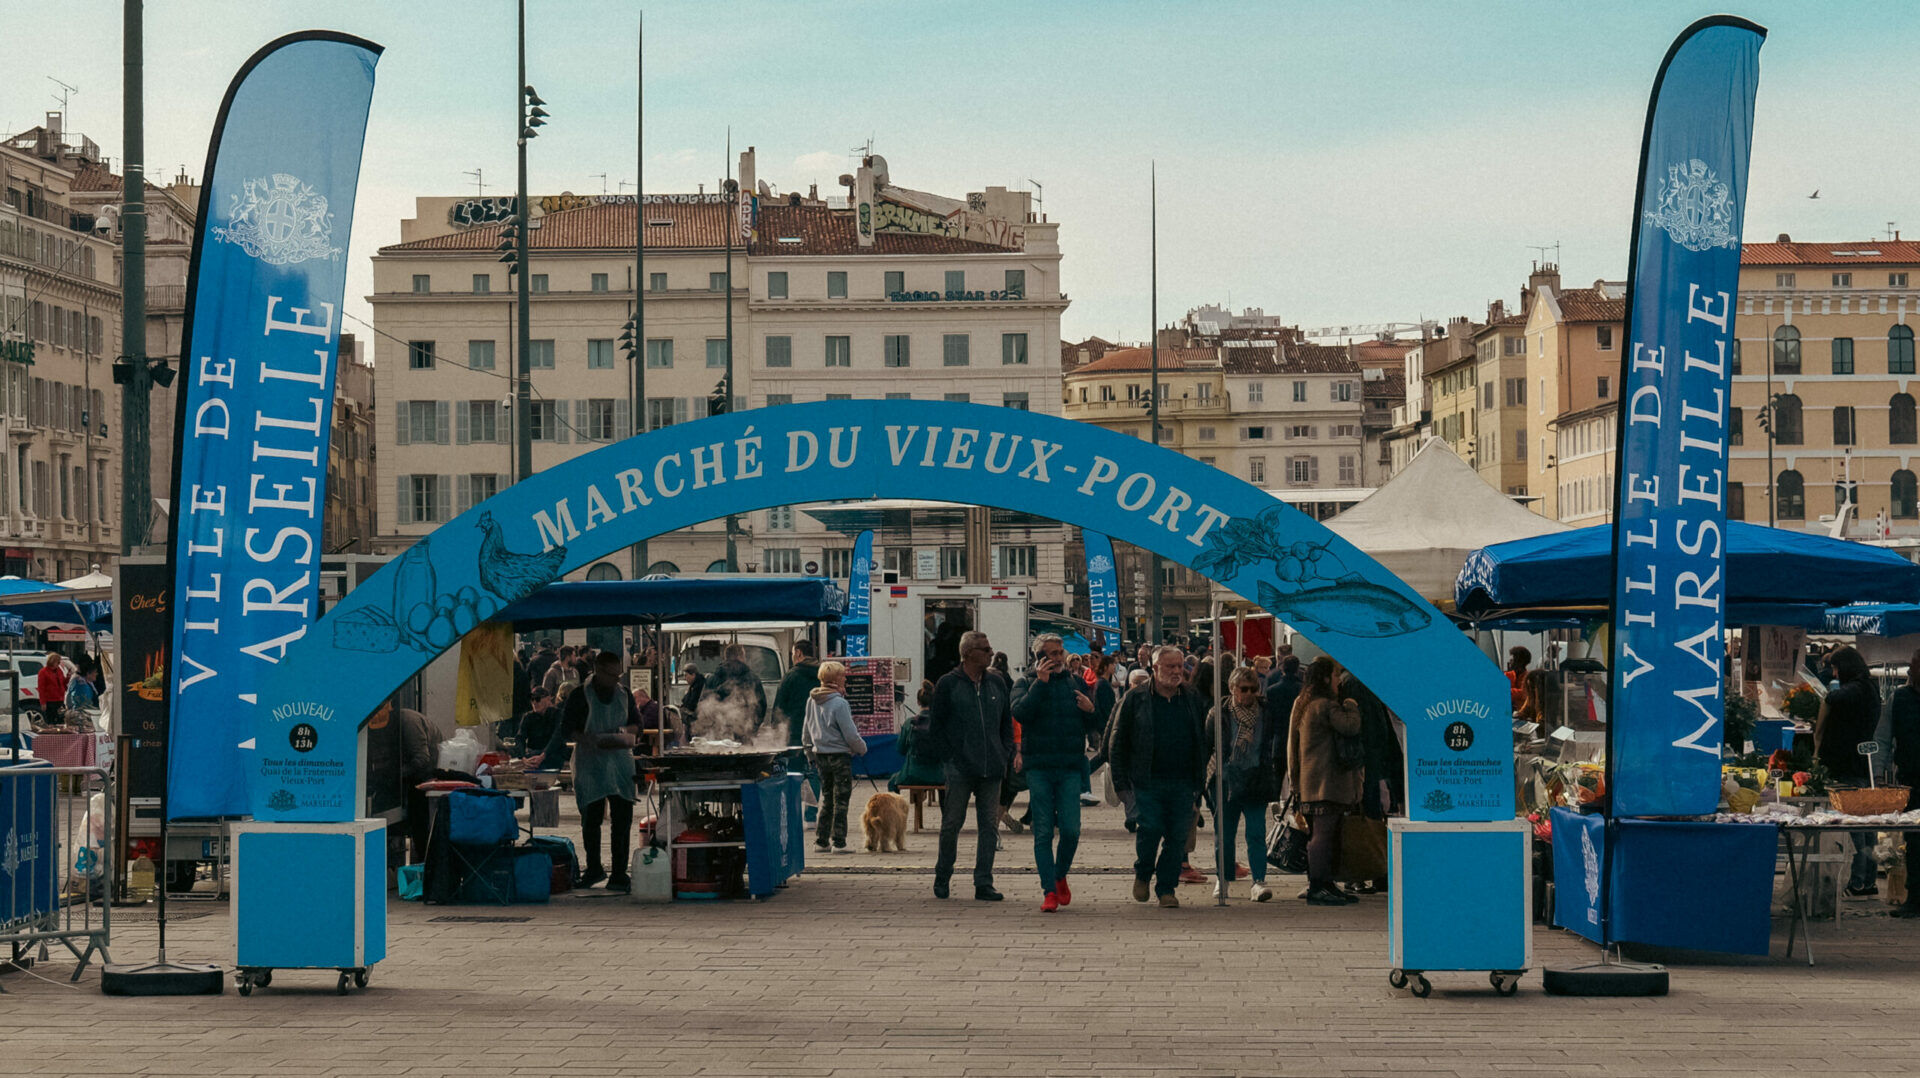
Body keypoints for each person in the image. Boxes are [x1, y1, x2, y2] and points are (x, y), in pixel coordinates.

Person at [1110, 645, 1208, 909]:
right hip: (1146, 780)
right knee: (1150, 829)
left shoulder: (1191, 697)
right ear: (1155, 668)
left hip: (1183, 780)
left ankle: (1166, 888)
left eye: (1180, 666)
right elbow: (1117, 740)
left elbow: (1202, 740)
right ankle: (1143, 872)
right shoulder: (1136, 698)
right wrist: (1121, 784)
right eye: (1170, 667)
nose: (1177, 671)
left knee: (1177, 837)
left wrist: (1200, 785)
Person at [1012, 634, 1100, 912]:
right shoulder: (1025, 683)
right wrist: (1041, 683)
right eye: (1051, 654)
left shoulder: (1074, 683)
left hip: (1069, 767)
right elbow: (1020, 713)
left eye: (1060, 652)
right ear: (1039, 658)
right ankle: (1049, 890)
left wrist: (1091, 710)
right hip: (1039, 767)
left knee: (1072, 831)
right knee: (1043, 833)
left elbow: (1092, 724)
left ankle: (1059, 874)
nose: (1058, 658)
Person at [929, 629, 1015, 901]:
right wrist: (951, 757)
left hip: (992, 766)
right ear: (967, 654)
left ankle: (983, 882)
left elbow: (1006, 722)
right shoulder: (948, 684)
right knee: (952, 823)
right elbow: (937, 727)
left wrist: (1004, 751)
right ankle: (943, 876)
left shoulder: (997, 683)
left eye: (990, 648)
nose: (991, 653)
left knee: (989, 826)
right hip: (960, 767)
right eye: (985, 649)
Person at [559, 650, 644, 891]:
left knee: (622, 819)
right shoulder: (579, 695)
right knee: (591, 819)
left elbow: (638, 724)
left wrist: (626, 732)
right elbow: (566, 728)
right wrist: (586, 739)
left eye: (619, 675)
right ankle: (594, 868)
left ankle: (618, 873)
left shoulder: (624, 694)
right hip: (590, 762)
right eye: (611, 675)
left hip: (619, 762)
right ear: (597, 670)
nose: (616, 680)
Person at [1288, 656, 1363, 906]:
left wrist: (1294, 782)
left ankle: (1326, 884)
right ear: (1324, 678)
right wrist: (1351, 705)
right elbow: (1351, 727)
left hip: (1310, 783)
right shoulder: (1326, 706)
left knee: (1323, 834)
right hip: (1327, 784)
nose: (1338, 681)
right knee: (1324, 835)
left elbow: (1292, 747)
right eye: (1335, 676)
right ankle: (1319, 886)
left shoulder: (1304, 704)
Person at [1206, 666, 1281, 901]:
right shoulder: (1219, 712)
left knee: (1257, 832)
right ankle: (1223, 877)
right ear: (1232, 689)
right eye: (1243, 689)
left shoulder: (1266, 711)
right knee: (1224, 834)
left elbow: (1271, 741)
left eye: (1253, 689)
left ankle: (1259, 879)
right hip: (1226, 779)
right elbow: (1208, 745)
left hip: (1256, 777)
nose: (1249, 694)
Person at [1816, 645, 1882, 896]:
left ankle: (1857, 882)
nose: (1834, 674)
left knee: (1856, 827)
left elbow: (1835, 698)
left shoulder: (1857, 689)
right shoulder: (1869, 687)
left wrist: (1827, 693)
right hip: (1862, 765)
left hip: (1850, 765)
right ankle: (1868, 881)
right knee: (1867, 826)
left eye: (1835, 668)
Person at [803, 661, 868, 852]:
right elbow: (850, 734)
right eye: (842, 676)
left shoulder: (811, 700)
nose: (846, 679)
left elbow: (805, 731)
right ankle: (839, 842)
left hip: (820, 755)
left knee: (827, 797)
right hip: (839, 756)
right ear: (835, 679)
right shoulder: (839, 703)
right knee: (841, 798)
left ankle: (821, 841)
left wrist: (809, 753)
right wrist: (862, 749)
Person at [1889, 647, 1920, 919]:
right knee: (1914, 839)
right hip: (1911, 778)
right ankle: (1915, 897)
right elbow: (1885, 737)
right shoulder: (1900, 698)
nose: (1910, 671)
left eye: (1915, 665)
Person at [773, 639, 823, 790]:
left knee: (794, 777)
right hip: (818, 736)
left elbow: (779, 710)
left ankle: (794, 812)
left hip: (794, 737)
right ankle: (810, 813)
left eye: (793, 654)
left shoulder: (790, 676)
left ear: (799, 653)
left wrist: (775, 736)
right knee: (813, 775)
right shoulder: (823, 676)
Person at [396, 704, 441, 865]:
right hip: (415, 775)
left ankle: (424, 865)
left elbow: (422, 759)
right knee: (418, 824)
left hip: (425, 776)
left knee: (420, 822)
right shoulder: (402, 721)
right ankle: (421, 864)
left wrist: (395, 775)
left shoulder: (408, 722)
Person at [890, 680, 947, 792]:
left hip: (912, 774)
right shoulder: (942, 723)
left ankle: (898, 809)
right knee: (945, 786)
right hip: (938, 775)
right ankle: (946, 809)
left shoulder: (909, 723)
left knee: (892, 782)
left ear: (918, 702)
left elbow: (900, 749)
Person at [701, 643, 769, 730]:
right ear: (740, 657)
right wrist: (753, 729)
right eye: (744, 656)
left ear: (726, 657)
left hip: (717, 734)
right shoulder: (752, 679)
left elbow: (703, 707)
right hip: (744, 733)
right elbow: (761, 707)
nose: (745, 659)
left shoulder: (712, 679)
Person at [1263, 655, 1302, 793]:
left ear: (1282, 669)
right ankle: (1296, 809)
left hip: (1278, 739)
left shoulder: (1272, 691)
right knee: (1297, 781)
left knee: (1277, 779)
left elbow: (1268, 719)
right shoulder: (1302, 690)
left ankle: (1275, 805)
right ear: (1297, 669)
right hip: (1298, 740)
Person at [517, 687, 558, 761]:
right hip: (533, 756)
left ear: (548, 699)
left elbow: (557, 737)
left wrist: (543, 755)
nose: (534, 702)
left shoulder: (557, 715)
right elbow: (520, 737)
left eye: (538, 699)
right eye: (532, 699)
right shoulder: (528, 717)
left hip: (553, 756)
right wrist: (523, 757)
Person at [36, 650, 68, 726]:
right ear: (52, 662)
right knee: (51, 721)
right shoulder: (43, 672)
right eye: (58, 662)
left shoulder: (59, 671)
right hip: (50, 700)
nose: (59, 664)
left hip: (60, 699)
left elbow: (63, 682)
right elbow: (41, 688)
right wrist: (43, 702)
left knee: (61, 720)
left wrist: (68, 677)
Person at [1506, 646, 1532, 714]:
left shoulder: (1528, 677)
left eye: (1512, 660)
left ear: (1519, 661)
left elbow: (1524, 693)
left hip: (1522, 714)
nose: (1509, 662)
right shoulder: (1508, 675)